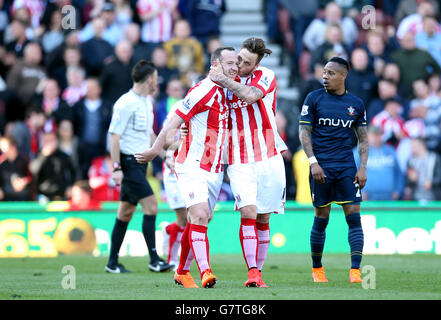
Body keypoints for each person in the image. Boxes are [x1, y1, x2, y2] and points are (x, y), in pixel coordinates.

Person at [135, 47, 239, 288]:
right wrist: (155, 151)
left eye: (237, 63)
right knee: (200, 214)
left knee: (199, 219)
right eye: (230, 63)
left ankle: (181, 271)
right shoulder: (203, 90)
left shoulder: (228, 91)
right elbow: (172, 122)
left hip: (214, 169)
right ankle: (205, 272)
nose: (235, 67)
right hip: (191, 164)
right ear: (215, 65)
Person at [208, 37, 287, 287]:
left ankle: (259, 272)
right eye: (239, 58)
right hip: (239, 158)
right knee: (248, 212)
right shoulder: (224, 77)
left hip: (269, 155)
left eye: (247, 62)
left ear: (258, 63)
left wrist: (223, 79)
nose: (240, 64)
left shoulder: (266, 75)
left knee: (264, 217)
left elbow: (251, 96)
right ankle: (252, 271)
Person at [298, 57, 369, 283]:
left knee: (354, 217)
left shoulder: (355, 104)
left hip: (347, 167)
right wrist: (313, 162)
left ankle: (355, 271)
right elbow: (304, 133)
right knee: (322, 216)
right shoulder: (314, 98)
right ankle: (317, 269)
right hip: (321, 167)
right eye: (324, 72)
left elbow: (363, 139)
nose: (324, 76)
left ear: (343, 76)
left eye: (330, 73)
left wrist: (363, 167)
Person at [105, 60, 172, 274]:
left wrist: (164, 156)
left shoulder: (146, 101)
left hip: (142, 164)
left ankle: (112, 264)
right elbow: (114, 137)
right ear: (149, 79)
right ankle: (154, 260)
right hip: (129, 163)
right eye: (156, 77)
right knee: (151, 206)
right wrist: (116, 168)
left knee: (125, 213)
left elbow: (149, 135)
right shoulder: (125, 103)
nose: (157, 81)